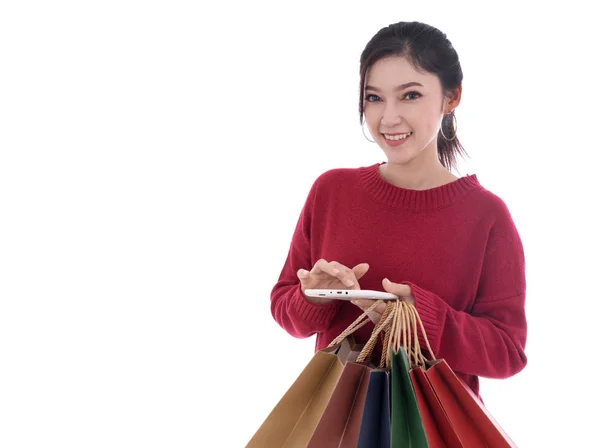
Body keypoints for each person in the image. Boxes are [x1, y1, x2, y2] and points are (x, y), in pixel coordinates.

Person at [269, 20, 527, 398]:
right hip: (337, 428)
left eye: (409, 95)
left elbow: (507, 353)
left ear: (451, 97)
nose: (388, 118)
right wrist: (313, 298)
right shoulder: (331, 191)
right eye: (374, 98)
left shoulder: (487, 216)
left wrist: (419, 318)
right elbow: (284, 307)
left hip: (433, 431)